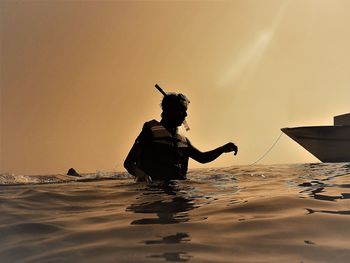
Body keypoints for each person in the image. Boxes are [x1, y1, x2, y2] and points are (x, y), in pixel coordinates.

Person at [124, 92, 238, 182]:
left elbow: (202, 158)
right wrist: (143, 177)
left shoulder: (182, 141)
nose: (185, 115)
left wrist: (222, 149)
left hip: (178, 190)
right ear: (169, 111)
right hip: (153, 193)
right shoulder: (150, 131)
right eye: (182, 111)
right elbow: (128, 163)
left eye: (185, 111)